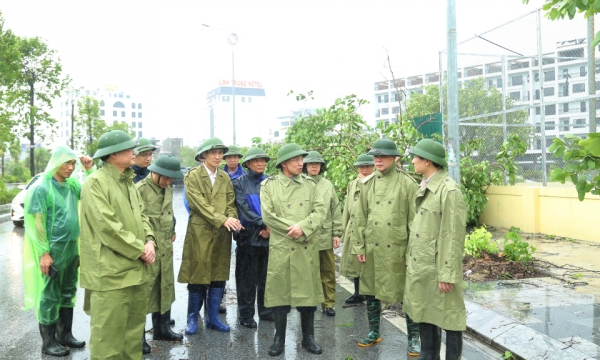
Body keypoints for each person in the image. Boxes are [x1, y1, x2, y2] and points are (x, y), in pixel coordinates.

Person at [80, 130, 157, 359]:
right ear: (113, 155)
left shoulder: (128, 182)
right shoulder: (95, 183)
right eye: (128, 148)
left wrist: (150, 241)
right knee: (108, 342)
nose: (134, 152)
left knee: (132, 339)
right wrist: (140, 249)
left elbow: (143, 216)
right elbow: (108, 227)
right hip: (110, 276)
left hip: (135, 273)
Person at [22, 146, 93, 356]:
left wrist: (89, 170)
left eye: (73, 163)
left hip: (71, 248)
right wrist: (44, 252)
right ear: (55, 162)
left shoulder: (71, 185)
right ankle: (48, 342)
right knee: (49, 295)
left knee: (68, 291)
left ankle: (65, 335)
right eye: (67, 163)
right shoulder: (42, 188)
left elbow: (91, 194)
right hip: (52, 251)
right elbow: (38, 223)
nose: (71, 168)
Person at [352, 138, 421, 356]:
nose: (378, 160)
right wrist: (359, 247)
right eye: (375, 156)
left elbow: (415, 222)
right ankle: (374, 331)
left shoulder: (408, 184)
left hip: (397, 248)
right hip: (373, 246)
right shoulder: (368, 184)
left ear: (394, 158)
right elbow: (359, 217)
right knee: (371, 291)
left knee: (407, 294)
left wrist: (412, 251)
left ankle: (413, 338)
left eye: (382, 156)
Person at [260, 143, 327, 357]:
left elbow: (320, 210)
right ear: (284, 163)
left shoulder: (310, 184)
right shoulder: (269, 185)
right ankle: (279, 339)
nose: (301, 164)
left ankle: (308, 338)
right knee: (280, 296)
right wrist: (292, 229)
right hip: (282, 247)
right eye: (296, 160)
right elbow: (268, 216)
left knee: (308, 297)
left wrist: (303, 227)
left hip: (305, 246)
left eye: (302, 160)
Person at [403, 139, 467, 360]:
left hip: (440, 267)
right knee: (425, 310)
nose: (412, 161)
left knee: (450, 316)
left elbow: (453, 235)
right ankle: (428, 355)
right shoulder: (426, 185)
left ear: (427, 161)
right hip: (423, 265)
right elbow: (419, 227)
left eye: (416, 157)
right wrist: (409, 256)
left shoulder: (449, 190)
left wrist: (447, 273)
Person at [178, 137, 242, 335]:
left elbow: (231, 202)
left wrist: (233, 218)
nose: (217, 156)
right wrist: (223, 219)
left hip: (222, 233)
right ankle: (192, 319)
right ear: (203, 155)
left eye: (220, 153)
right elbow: (198, 204)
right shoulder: (192, 176)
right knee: (198, 274)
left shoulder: (224, 177)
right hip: (200, 232)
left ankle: (213, 318)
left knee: (218, 273)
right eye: (213, 152)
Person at [136, 155, 184, 353]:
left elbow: (169, 214)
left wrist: (172, 230)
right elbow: (137, 220)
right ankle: (137, 337)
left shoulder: (168, 189)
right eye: (165, 178)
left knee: (164, 286)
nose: (168, 182)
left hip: (165, 246)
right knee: (145, 290)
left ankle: (162, 328)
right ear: (154, 172)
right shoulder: (140, 190)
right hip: (148, 247)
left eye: (171, 179)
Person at [232, 147, 273, 328]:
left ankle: (265, 311)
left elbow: (276, 206)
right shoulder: (239, 183)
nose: (260, 163)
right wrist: (262, 224)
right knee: (246, 278)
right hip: (248, 235)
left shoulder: (270, 181)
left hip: (268, 234)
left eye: (263, 160)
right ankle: (246, 315)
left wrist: (270, 226)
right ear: (248, 163)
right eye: (256, 161)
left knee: (265, 276)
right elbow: (243, 208)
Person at [302, 151, 342, 317]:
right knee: (305, 272)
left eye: (317, 164)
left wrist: (337, 233)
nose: (314, 166)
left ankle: (328, 303)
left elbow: (335, 209)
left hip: (325, 234)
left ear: (321, 166)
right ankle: (306, 303)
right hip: (306, 235)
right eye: (311, 164)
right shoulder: (299, 182)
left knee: (328, 271)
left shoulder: (327, 185)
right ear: (305, 166)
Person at [340, 154, 374, 304]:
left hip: (369, 227)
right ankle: (358, 292)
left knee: (369, 262)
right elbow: (347, 208)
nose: (364, 169)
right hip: (353, 226)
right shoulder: (353, 184)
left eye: (367, 166)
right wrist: (342, 231)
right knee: (355, 261)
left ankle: (371, 293)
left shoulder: (375, 182)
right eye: (361, 166)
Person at [218, 145, 245, 314]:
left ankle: (245, 302)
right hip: (222, 222)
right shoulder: (219, 175)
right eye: (229, 157)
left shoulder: (245, 175)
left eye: (235, 157)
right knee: (221, 260)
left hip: (242, 224)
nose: (232, 160)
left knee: (242, 263)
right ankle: (220, 296)